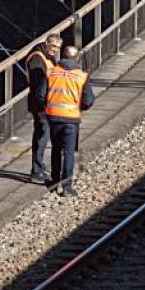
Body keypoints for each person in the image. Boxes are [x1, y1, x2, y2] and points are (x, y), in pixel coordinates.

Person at [33, 44, 96, 196]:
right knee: (68, 152)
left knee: (55, 149)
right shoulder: (82, 76)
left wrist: (47, 107)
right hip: (71, 119)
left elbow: (40, 95)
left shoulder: (51, 73)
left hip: (53, 117)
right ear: (77, 59)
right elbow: (88, 100)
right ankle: (67, 186)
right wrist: (79, 107)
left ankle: (54, 182)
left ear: (63, 56)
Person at [23, 36, 60, 183]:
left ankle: (39, 167)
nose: (55, 49)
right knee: (42, 135)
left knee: (43, 135)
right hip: (41, 105)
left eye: (57, 47)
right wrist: (43, 105)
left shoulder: (47, 57)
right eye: (53, 46)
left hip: (46, 103)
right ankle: (37, 169)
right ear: (47, 43)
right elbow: (39, 85)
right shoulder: (38, 58)